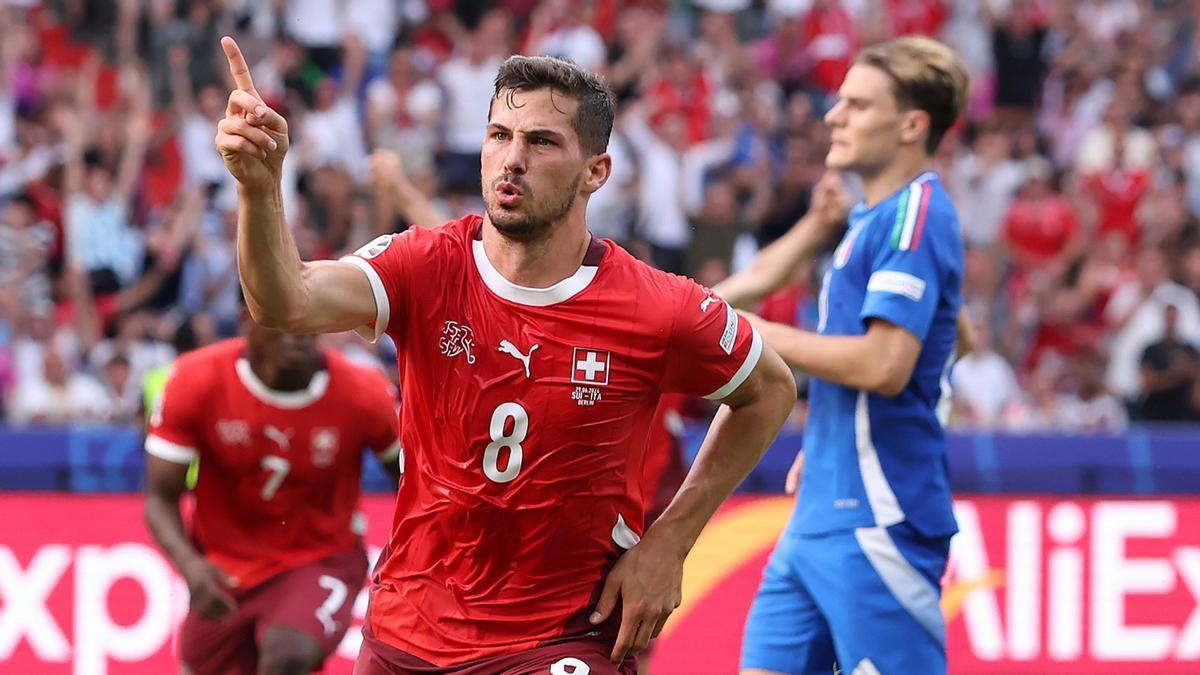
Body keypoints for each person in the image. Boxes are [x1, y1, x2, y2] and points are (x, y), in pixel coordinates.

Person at [214, 36, 796, 675]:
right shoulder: (425, 263)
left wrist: (670, 544)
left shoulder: (657, 307)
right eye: (499, 135)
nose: (511, 159)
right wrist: (259, 189)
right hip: (409, 629)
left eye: (541, 142)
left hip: (563, 635)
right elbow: (286, 302)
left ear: (594, 173)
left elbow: (769, 390)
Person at [717, 36, 971, 675]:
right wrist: (834, 431)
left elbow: (886, 367)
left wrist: (756, 332)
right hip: (820, 509)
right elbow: (957, 334)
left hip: (877, 517)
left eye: (857, 106)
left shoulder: (917, 215)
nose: (833, 116)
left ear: (912, 125)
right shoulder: (875, 219)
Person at [142, 317, 403, 675]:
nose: (298, 332)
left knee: (287, 656)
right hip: (226, 568)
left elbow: (412, 482)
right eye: (283, 317)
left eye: (307, 316)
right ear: (248, 322)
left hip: (323, 558)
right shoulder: (195, 378)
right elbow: (159, 496)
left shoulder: (363, 389)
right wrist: (190, 567)